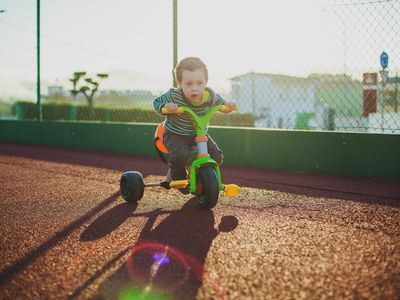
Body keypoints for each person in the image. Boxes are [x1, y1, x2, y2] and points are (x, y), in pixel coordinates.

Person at [153, 57, 236, 193]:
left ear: (206, 82)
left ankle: (197, 174)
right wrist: (166, 106)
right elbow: (156, 102)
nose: (195, 89)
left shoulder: (210, 96)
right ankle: (180, 180)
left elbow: (222, 104)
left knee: (216, 157)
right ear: (179, 83)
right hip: (175, 134)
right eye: (189, 84)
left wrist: (228, 105)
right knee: (180, 155)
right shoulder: (174, 96)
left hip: (199, 134)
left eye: (199, 83)